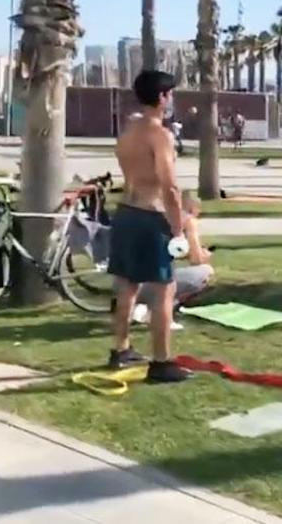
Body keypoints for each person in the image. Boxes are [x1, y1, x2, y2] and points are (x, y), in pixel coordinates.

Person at [107, 70, 192, 382]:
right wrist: (178, 228)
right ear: (161, 97)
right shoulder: (160, 134)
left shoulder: (128, 131)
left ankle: (120, 349)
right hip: (149, 216)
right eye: (170, 94)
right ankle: (161, 362)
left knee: (127, 285)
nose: (171, 100)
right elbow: (169, 187)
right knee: (164, 291)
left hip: (126, 213)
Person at [139, 192, 214, 307]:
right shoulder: (188, 221)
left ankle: (142, 305)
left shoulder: (153, 216)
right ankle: (167, 305)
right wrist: (204, 255)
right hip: (156, 284)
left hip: (127, 286)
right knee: (206, 271)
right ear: (193, 208)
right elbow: (196, 260)